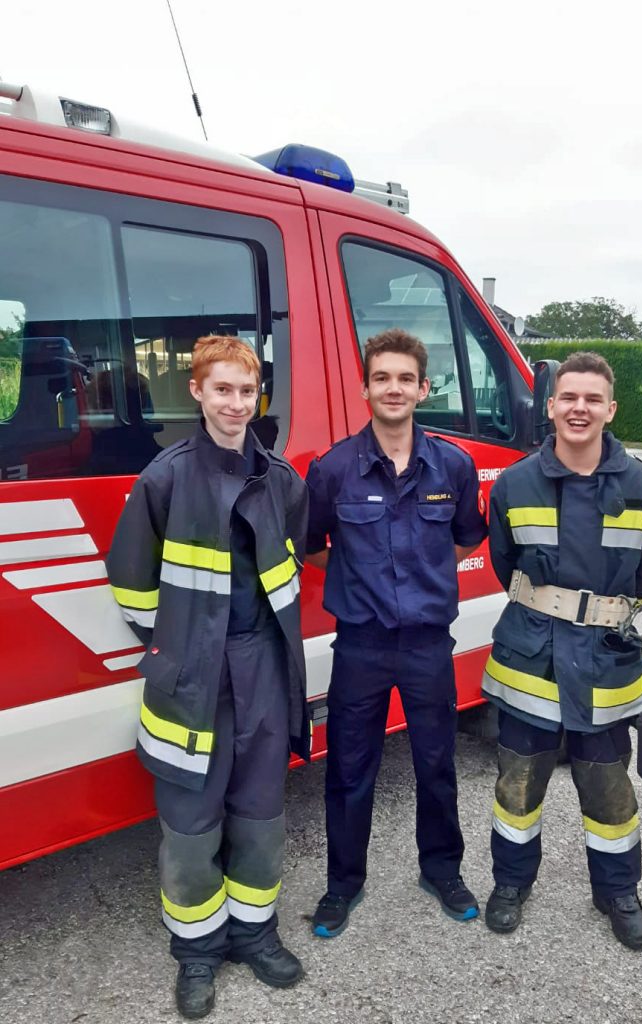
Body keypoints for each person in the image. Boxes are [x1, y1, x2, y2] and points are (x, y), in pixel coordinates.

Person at [107, 335, 310, 1019]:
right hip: (191, 674)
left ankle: (255, 934)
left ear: (260, 397)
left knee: (259, 813)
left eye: (246, 391)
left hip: (261, 668)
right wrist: (177, 648)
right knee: (190, 825)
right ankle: (197, 952)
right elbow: (132, 586)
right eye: (221, 389)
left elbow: (293, 565)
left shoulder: (280, 479)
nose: (235, 403)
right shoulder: (164, 479)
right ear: (196, 392)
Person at [481, 350, 642, 951]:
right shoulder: (515, 482)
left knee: (609, 790)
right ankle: (511, 883)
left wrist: (599, 613)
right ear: (551, 404)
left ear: (610, 408)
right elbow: (502, 562)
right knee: (517, 789)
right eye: (569, 397)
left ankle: (617, 891)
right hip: (531, 662)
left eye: (592, 399)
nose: (579, 408)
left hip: (605, 664)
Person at [304, 327, 488, 937]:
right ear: (365, 387)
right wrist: (361, 577)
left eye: (405, 378)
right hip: (361, 644)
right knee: (350, 768)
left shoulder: (454, 466)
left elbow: (465, 536)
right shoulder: (332, 470)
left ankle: (442, 871)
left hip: (429, 645)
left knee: (436, 762)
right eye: (381, 377)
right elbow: (313, 548)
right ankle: (342, 886)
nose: (393, 388)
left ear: (423, 388)